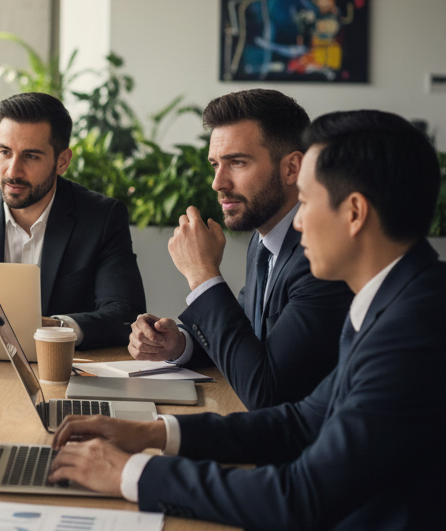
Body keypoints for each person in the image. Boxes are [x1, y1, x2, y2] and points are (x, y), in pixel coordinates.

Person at [48, 111, 446, 531]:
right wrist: (151, 433)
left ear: (354, 212)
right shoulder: (398, 295)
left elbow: (300, 498)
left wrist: (130, 472)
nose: (298, 223)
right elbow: (304, 421)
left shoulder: (416, 329)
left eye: (305, 202)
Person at [129, 89, 351, 408]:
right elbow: (248, 337)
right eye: (215, 164)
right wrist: (179, 344)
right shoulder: (264, 240)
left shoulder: (320, 258)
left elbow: (266, 392)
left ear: (292, 169)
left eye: (237, 162)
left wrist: (202, 275)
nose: (218, 183)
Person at [0, 92, 145, 349]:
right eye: (5, 152)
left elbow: (125, 314)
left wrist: (55, 329)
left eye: (30, 156)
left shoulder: (100, 217)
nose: (12, 171)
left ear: (62, 161)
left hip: (63, 370)